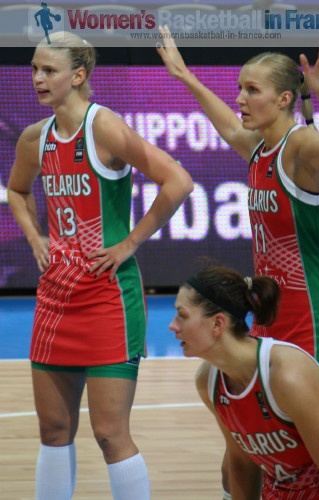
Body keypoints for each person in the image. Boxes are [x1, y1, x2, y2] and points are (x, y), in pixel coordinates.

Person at [156, 29, 319, 497]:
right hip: (268, 314)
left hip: (315, 318)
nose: (241, 98)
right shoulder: (259, 149)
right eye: (240, 88)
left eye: (252, 90)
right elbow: (228, 125)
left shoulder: (302, 145)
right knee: (244, 454)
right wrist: (184, 75)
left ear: (285, 98)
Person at [7, 32, 193, 500]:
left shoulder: (104, 126)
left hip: (108, 296)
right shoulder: (35, 138)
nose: (37, 78)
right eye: (33, 69)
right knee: (53, 430)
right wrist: (35, 237)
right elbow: (16, 190)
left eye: (48, 70)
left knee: (110, 434)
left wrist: (130, 243)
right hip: (55, 297)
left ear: (78, 75)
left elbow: (178, 181)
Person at [169, 266, 319, 499]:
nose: (173, 325)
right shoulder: (208, 381)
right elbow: (242, 462)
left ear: (217, 324)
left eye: (183, 315)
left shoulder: (286, 376)